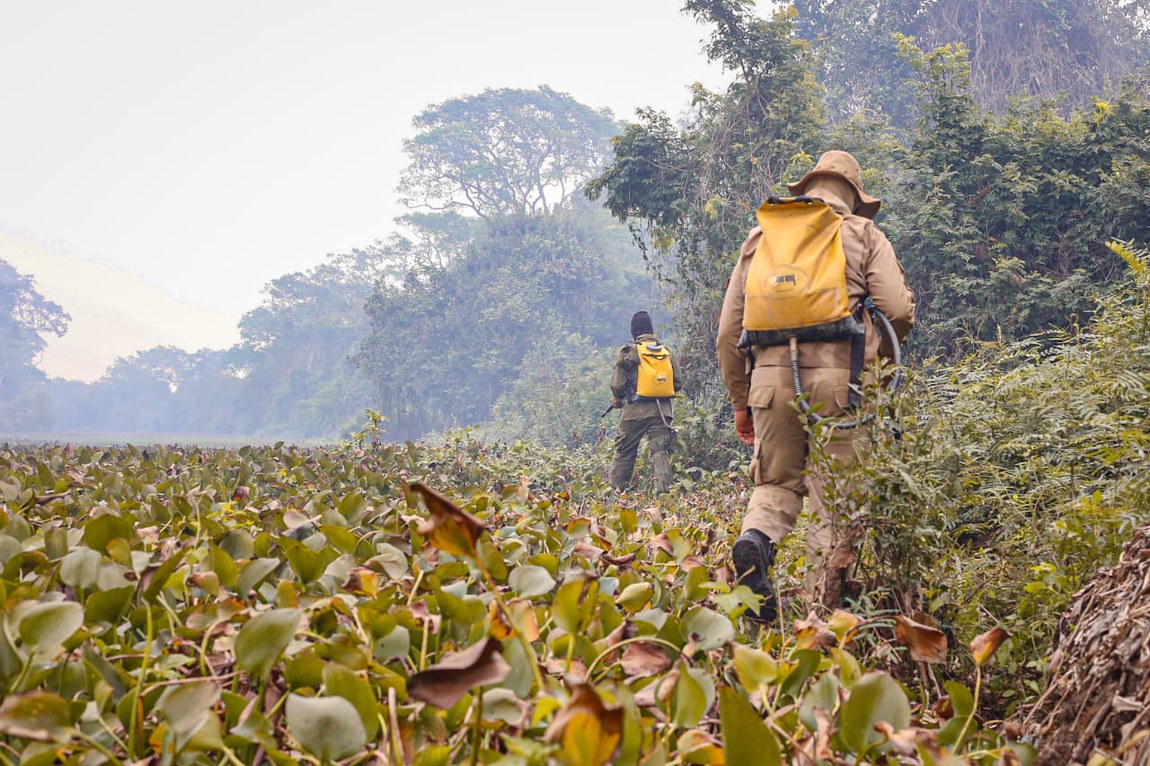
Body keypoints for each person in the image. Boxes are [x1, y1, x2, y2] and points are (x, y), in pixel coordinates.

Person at [716, 150, 916, 622]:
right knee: (835, 500)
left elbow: (727, 332)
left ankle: (756, 540)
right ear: (854, 197)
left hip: (768, 384)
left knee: (775, 482)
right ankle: (817, 620)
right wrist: (878, 371)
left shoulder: (762, 237)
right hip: (843, 382)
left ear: (808, 188)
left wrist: (742, 402)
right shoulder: (863, 233)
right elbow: (897, 310)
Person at [609, 311, 682, 493]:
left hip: (634, 412)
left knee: (624, 452)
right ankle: (665, 496)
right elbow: (678, 383)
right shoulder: (666, 352)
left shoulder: (629, 352)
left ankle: (616, 494)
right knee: (660, 451)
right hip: (661, 413)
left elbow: (617, 384)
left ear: (634, 332)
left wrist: (617, 399)